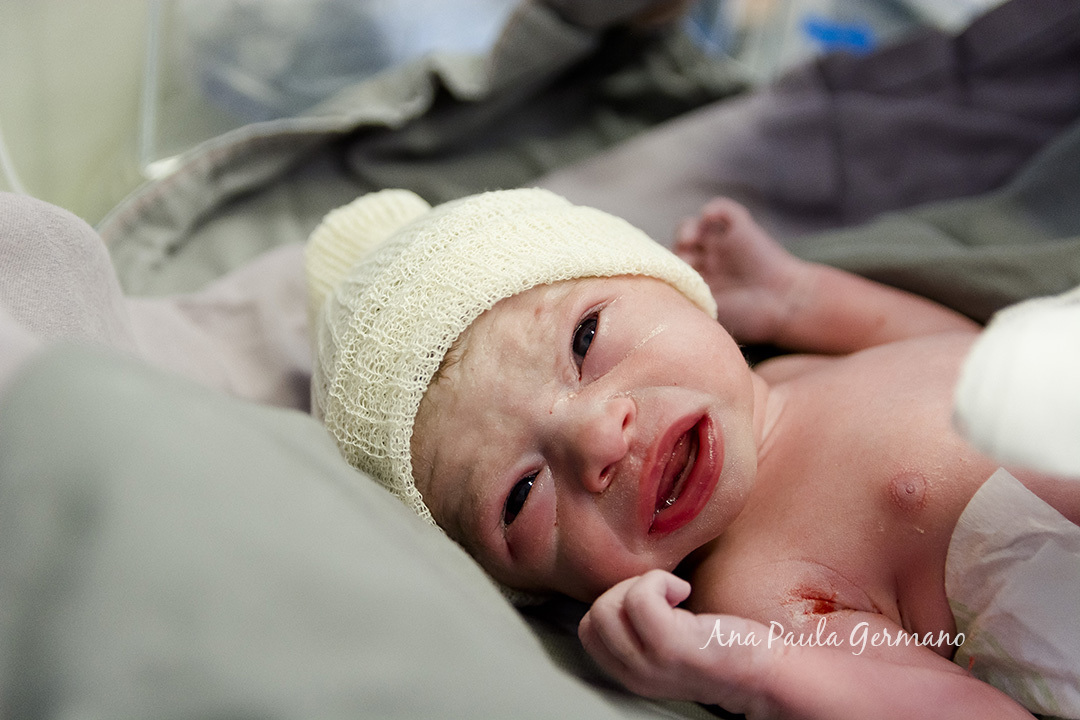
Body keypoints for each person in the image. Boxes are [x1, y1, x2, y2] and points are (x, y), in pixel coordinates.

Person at [305, 187, 1080, 720]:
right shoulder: (758, 589)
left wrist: (799, 298)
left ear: (667, 283)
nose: (592, 437)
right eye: (520, 494)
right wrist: (759, 672)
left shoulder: (787, 371)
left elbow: (952, 348)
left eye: (584, 340)